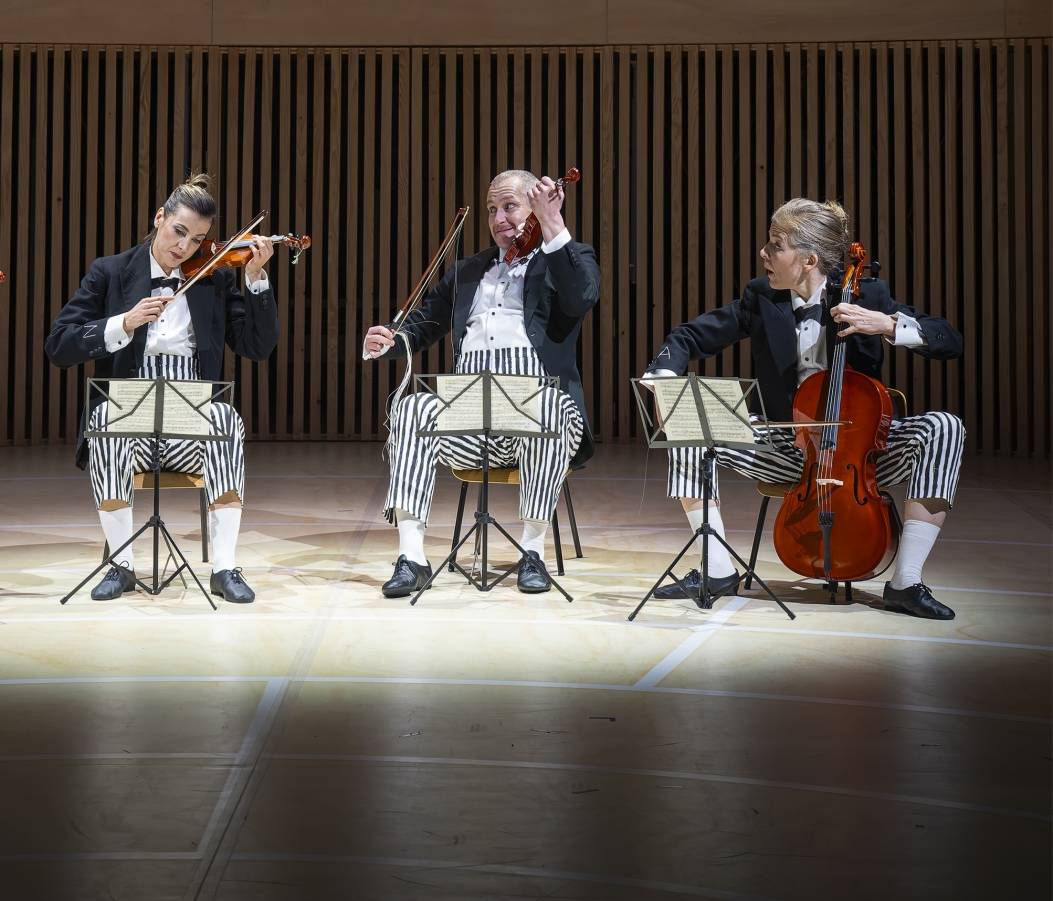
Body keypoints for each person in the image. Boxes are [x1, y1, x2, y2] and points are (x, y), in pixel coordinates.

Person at [641, 196, 965, 618]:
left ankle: (906, 581)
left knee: (945, 426)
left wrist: (886, 324)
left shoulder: (868, 294)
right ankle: (717, 568)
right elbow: (689, 336)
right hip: (785, 451)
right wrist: (665, 383)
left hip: (862, 459)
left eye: (776, 244)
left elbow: (949, 339)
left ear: (809, 259)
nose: (764, 253)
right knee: (690, 422)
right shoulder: (762, 297)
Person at [45, 174, 278, 604]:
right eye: (179, 231)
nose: (185, 247)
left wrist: (256, 277)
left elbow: (257, 348)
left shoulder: (214, 278)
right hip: (129, 422)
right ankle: (122, 564)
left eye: (198, 239)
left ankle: (225, 567)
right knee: (106, 419)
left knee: (226, 418)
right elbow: (58, 345)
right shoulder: (111, 271)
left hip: (191, 423)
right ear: (159, 218)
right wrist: (125, 323)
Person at [364, 170, 599, 598]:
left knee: (549, 406)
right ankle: (412, 556)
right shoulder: (469, 270)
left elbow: (582, 296)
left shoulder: (565, 258)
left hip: (535, 422)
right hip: (469, 422)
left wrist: (553, 225)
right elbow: (423, 324)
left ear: (536, 209)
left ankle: (533, 553)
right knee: (413, 407)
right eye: (492, 209)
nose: (497, 218)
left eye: (509, 207)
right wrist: (390, 341)